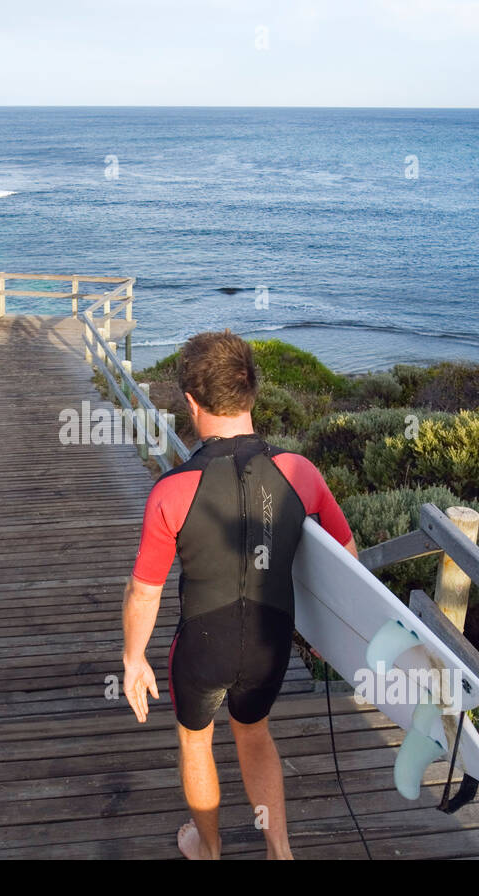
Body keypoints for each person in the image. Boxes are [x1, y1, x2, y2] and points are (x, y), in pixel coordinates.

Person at [121, 329, 358, 860]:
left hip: (204, 647)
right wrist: (330, 634)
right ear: (251, 394)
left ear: (190, 402)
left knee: (196, 742)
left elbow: (144, 591)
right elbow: (347, 556)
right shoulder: (300, 472)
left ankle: (208, 848)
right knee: (254, 735)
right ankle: (280, 849)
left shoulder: (172, 491)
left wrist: (134, 659)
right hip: (271, 644)